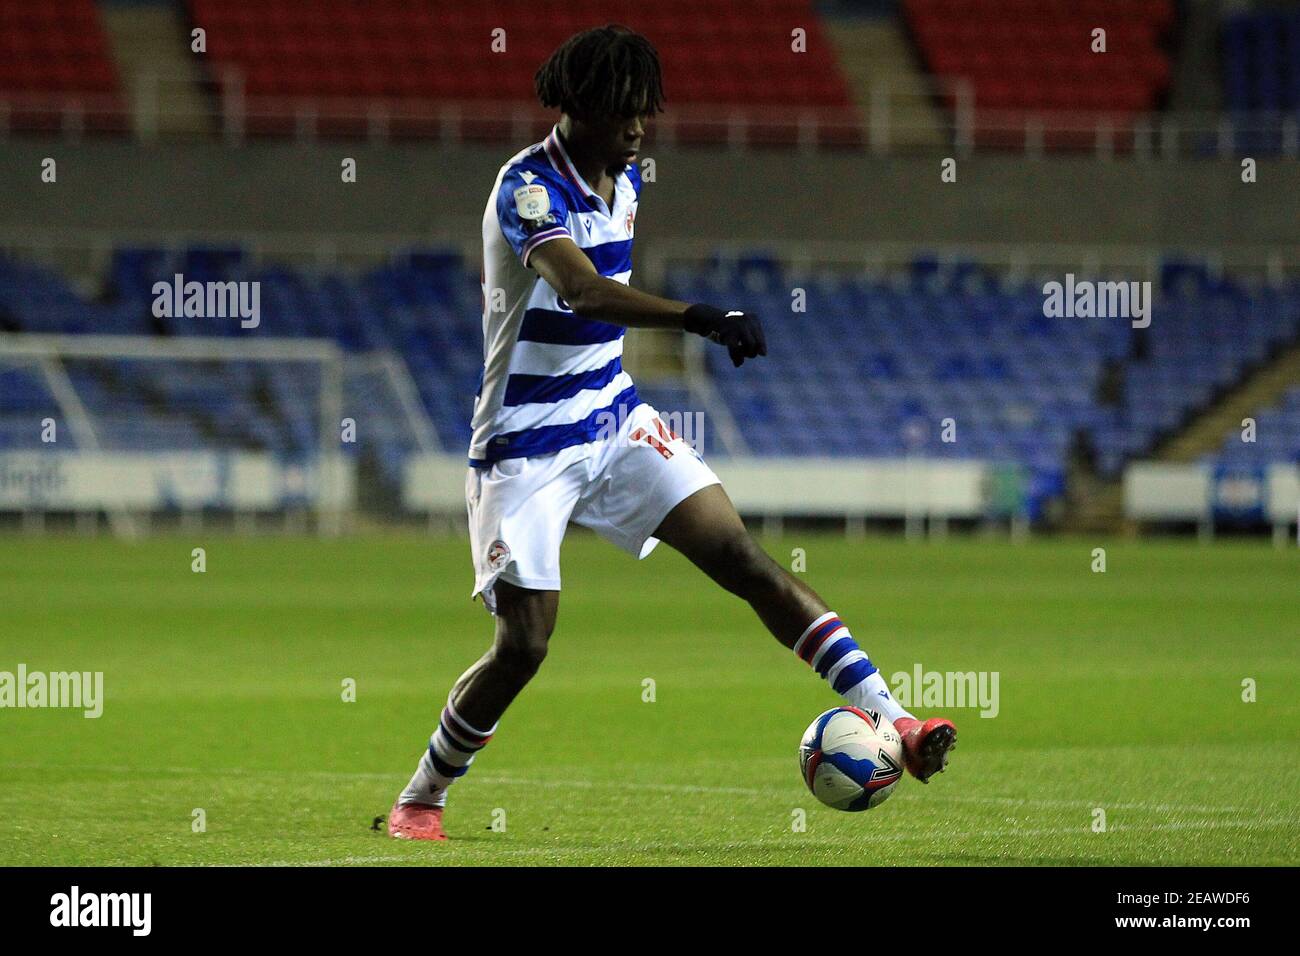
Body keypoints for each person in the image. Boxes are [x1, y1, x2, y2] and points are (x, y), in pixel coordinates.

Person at [389, 24, 955, 841]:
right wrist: (700, 316)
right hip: (525, 445)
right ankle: (422, 798)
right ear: (581, 106)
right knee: (525, 643)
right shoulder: (528, 189)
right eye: (625, 110)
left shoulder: (625, 182)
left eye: (646, 111)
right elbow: (580, 292)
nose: (639, 127)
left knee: (742, 557)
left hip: (613, 416)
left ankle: (894, 719)